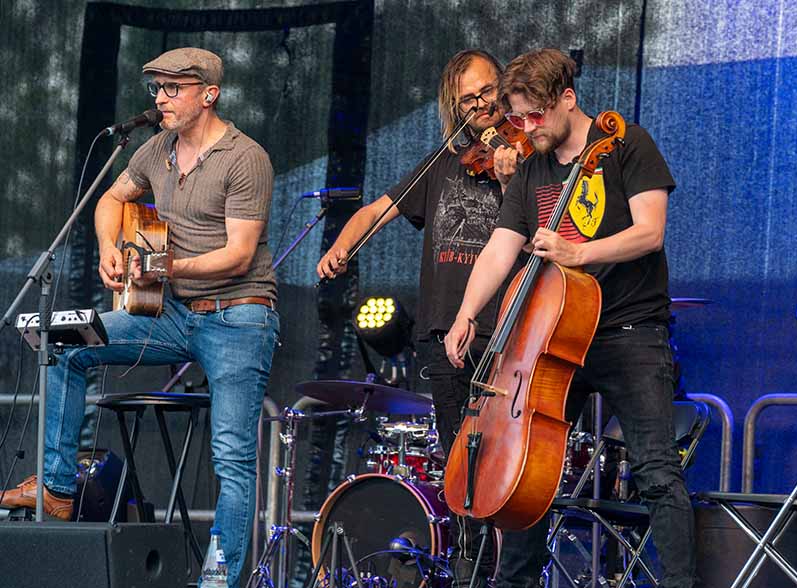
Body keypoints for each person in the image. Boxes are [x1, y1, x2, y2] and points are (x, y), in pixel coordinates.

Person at [1, 47, 279, 587]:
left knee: (232, 458)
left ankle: (217, 579)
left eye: (174, 88)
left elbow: (240, 254)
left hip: (239, 317)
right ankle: (58, 489)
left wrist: (168, 267)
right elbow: (109, 199)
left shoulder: (247, 158)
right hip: (172, 313)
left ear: (209, 93)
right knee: (64, 342)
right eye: (157, 88)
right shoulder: (156, 150)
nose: (161, 98)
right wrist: (110, 246)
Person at [444, 48, 695, 588]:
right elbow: (500, 247)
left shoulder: (627, 143)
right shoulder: (534, 166)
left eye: (537, 115)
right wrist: (466, 312)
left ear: (567, 99)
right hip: (554, 338)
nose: (527, 128)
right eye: (518, 117)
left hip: (629, 329)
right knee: (527, 472)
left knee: (655, 470)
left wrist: (578, 253)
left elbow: (651, 231)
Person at [317, 49, 548, 587]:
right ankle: (470, 573)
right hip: (445, 339)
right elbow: (376, 210)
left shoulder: (534, 160)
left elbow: (548, 232)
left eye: (488, 92)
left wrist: (515, 178)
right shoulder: (444, 162)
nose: (481, 105)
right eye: (468, 99)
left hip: (510, 335)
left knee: (509, 476)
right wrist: (342, 247)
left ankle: (516, 579)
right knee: (461, 474)